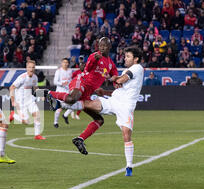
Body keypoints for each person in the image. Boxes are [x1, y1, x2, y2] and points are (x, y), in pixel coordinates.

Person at [59, 47, 144, 177]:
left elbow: (120, 80)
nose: (125, 58)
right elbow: (120, 88)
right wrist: (106, 90)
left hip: (126, 107)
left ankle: (129, 167)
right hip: (115, 100)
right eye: (125, 56)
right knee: (89, 104)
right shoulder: (127, 70)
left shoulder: (137, 68)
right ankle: (60, 104)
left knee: (126, 135)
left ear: (136, 59)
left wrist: (111, 77)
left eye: (128, 56)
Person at [40, 37, 118, 155]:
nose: (102, 48)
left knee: (99, 120)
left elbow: (115, 77)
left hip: (89, 92)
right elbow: (87, 69)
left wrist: (113, 80)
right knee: (72, 99)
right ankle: (48, 93)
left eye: (105, 46)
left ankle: (79, 139)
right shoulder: (94, 56)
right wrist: (93, 61)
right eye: (100, 45)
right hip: (81, 82)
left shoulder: (111, 64)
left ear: (109, 47)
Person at [8, 60, 45, 140]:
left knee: (37, 115)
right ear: (26, 68)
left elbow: (35, 88)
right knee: (26, 122)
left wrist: (41, 95)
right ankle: (13, 115)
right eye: (29, 67)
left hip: (30, 100)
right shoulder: (22, 78)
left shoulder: (35, 77)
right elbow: (11, 87)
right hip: (21, 102)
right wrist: (13, 101)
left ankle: (37, 135)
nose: (31, 69)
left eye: (33, 67)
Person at [52, 58, 73, 128]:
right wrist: (62, 83)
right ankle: (55, 122)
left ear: (68, 63)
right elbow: (55, 82)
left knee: (74, 105)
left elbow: (71, 80)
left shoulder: (70, 71)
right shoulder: (58, 71)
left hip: (68, 92)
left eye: (66, 62)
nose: (65, 63)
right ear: (61, 63)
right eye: (64, 62)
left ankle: (65, 115)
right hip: (60, 92)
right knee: (59, 108)